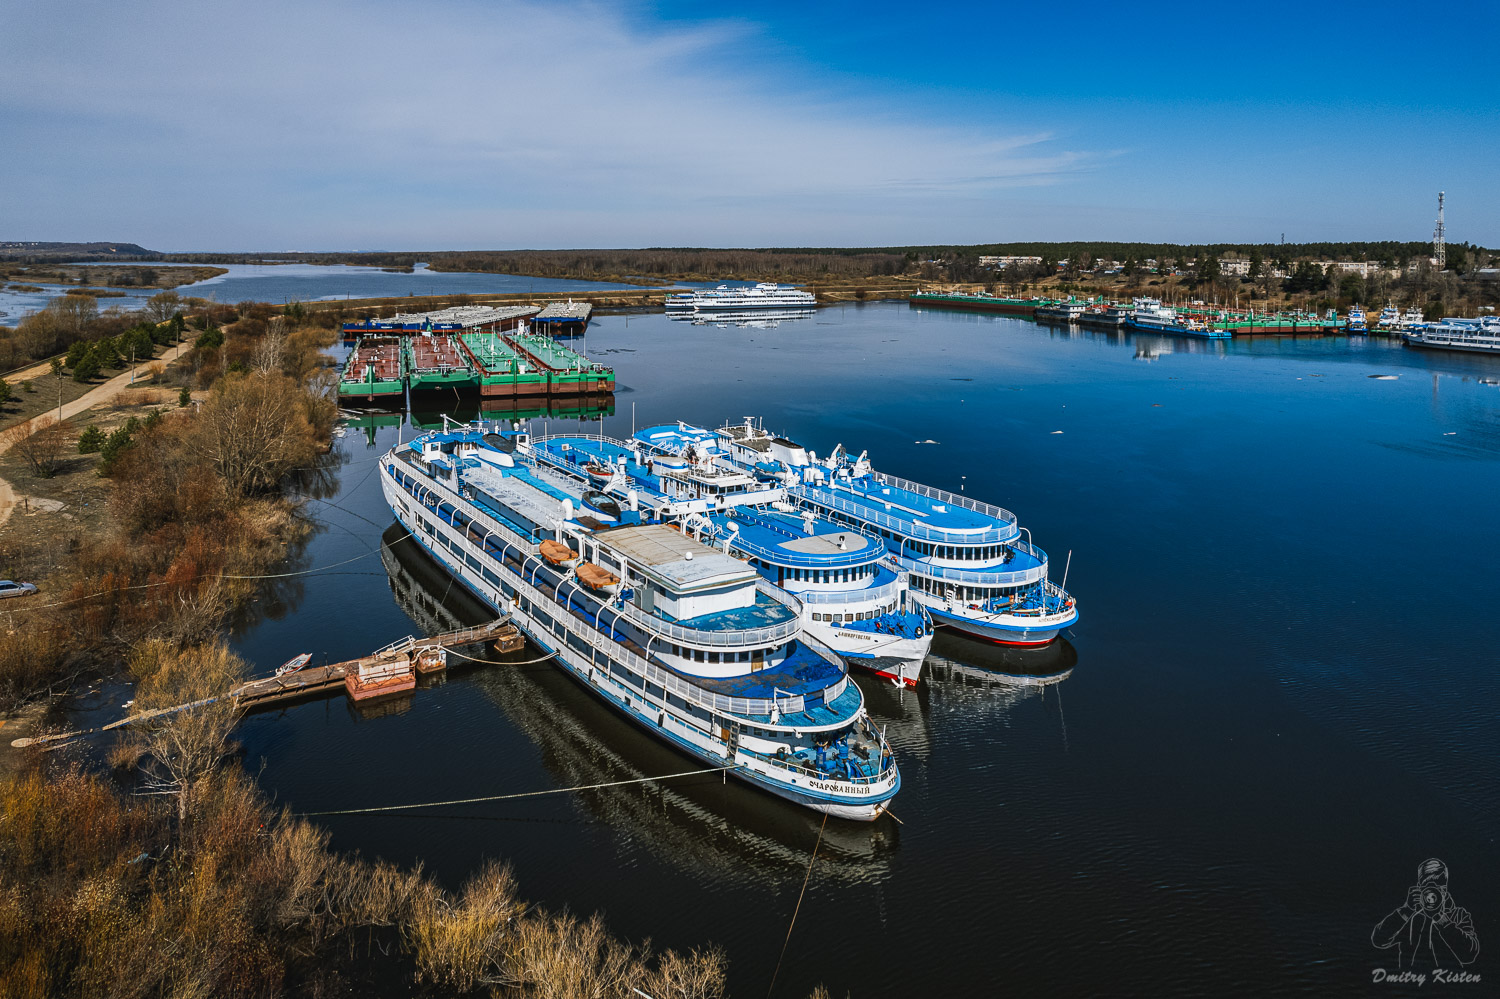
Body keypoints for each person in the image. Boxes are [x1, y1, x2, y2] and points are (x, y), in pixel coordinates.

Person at [1371, 858, 1480, 969]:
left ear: (1445, 889)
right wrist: (1406, 910)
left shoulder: (1458, 915)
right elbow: (1379, 941)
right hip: (1410, 981)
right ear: (1419, 887)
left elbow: (1469, 955)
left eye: (1438, 888)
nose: (1432, 895)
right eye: (1428, 888)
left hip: (1449, 982)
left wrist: (1441, 919)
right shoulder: (1408, 916)